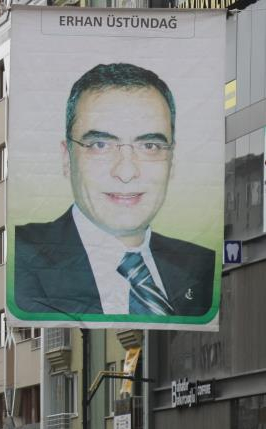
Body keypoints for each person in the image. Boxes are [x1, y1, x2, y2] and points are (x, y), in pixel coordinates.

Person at [14, 62, 215, 319]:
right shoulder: (21, 258)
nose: (126, 172)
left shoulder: (201, 266)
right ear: (67, 158)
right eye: (100, 145)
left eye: (150, 146)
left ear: (172, 160)